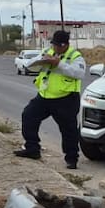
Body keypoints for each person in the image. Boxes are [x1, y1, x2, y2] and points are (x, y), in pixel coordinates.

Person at [14, 30, 86, 169]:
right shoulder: (48, 51)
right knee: (28, 116)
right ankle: (32, 148)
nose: (56, 48)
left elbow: (79, 73)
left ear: (66, 44)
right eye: (54, 44)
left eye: (59, 45)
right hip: (45, 96)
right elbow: (29, 64)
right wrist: (42, 59)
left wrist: (59, 63)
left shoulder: (75, 56)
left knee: (68, 130)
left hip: (65, 99)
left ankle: (71, 159)